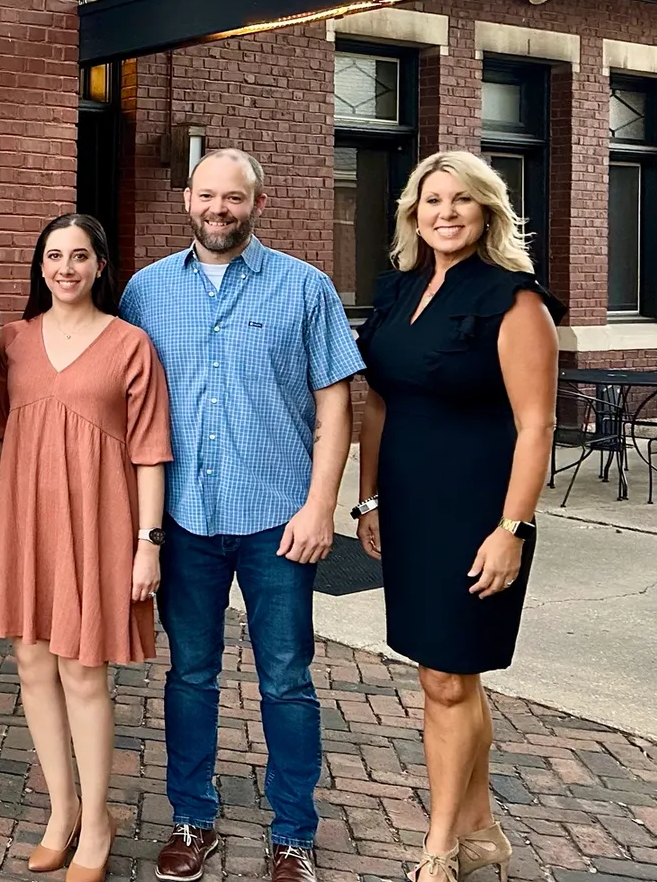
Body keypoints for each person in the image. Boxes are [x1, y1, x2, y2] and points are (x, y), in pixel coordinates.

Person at [119, 149, 363, 882]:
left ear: (258, 202)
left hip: (277, 520)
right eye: (207, 196)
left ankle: (294, 835)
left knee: (285, 677)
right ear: (186, 200)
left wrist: (321, 506)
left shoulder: (305, 287)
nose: (218, 209)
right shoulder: (146, 292)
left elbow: (336, 406)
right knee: (190, 674)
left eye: (233, 197)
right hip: (184, 520)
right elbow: (126, 406)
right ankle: (191, 819)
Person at [354, 151, 560, 882]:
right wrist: (369, 498)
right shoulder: (398, 291)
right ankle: (482, 830)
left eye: (462, 200)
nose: (446, 213)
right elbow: (378, 403)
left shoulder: (514, 300)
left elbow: (537, 426)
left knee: (448, 677)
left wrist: (512, 530)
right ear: (414, 214)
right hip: (409, 504)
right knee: (448, 676)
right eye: (432, 200)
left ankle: (439, 845)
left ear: (487, 211)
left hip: (478, 510)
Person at [0, 213, 170, 880]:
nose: (66, 267)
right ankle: (61, 813)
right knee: (32, 663)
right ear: (40, 266)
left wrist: (148, 544)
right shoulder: (12, 342)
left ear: (100, 266)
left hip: (98, 523)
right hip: (25, 520)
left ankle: (97, 822)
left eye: (79, 256)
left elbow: (150, 452)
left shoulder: (130, 344)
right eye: (54, 256)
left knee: (83, 670)